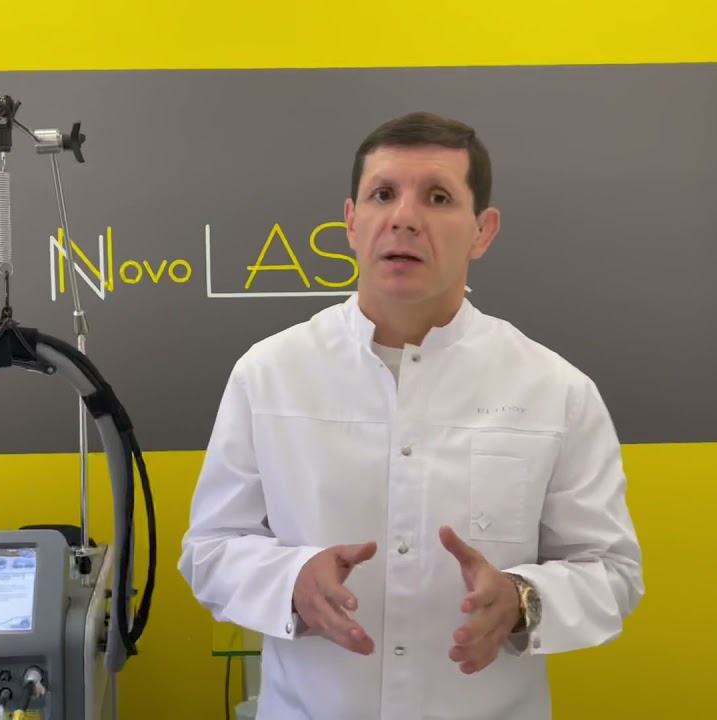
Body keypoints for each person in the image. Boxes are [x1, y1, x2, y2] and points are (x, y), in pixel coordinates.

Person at [177, 111, 643, 719]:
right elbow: (211, 549)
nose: (403, 217)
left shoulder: (556, 390)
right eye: (383, 194)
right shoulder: (268, 375)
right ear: (351, 221)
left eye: (438, 197)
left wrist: (522, 599)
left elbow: (610, 571)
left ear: (482, 231)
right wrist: (290, 581)